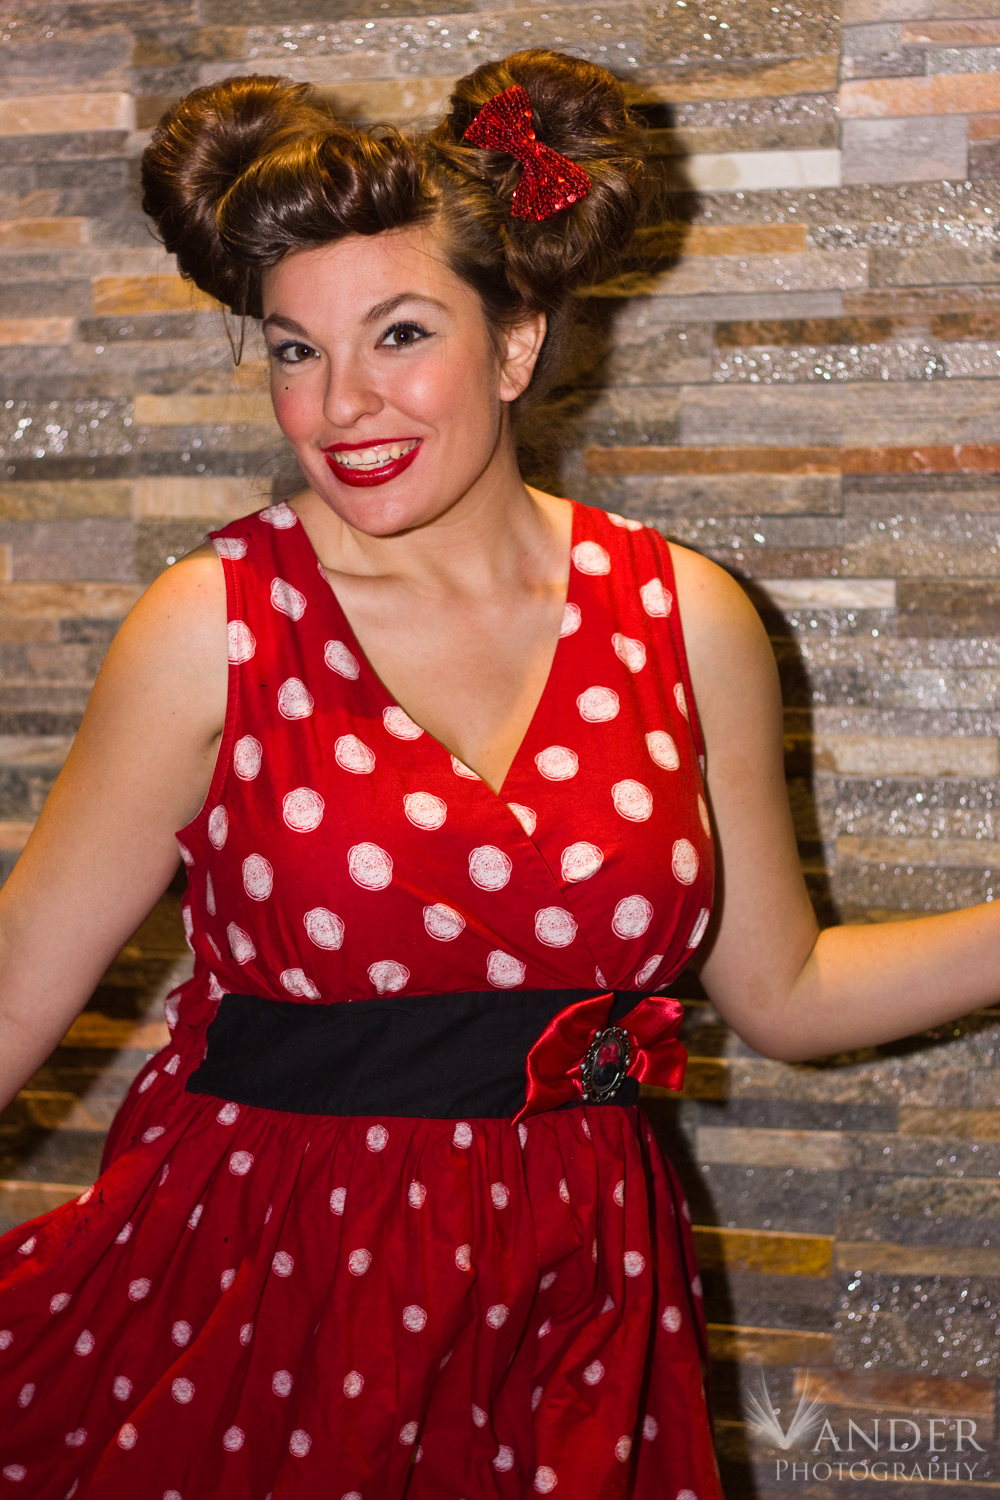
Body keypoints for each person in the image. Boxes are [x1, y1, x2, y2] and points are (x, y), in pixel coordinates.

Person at [0, 45, 994, 1500]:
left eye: (400, 334)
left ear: (516, 342)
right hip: (266, 1286)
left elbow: (784, 992)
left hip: (579, 1290)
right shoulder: (213, 625)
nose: (344, 404)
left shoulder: (687, 617)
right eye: (295, 350)